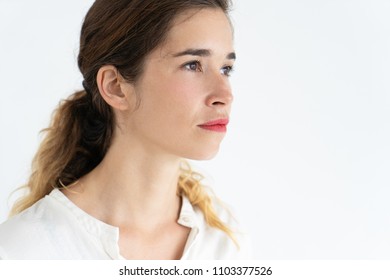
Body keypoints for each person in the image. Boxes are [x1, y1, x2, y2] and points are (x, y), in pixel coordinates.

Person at [0, 0, 250, 259]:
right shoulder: (20, 253)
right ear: (116, 86)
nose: (225, 95)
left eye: (226, 69)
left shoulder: (224, 240)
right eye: (193, 65)